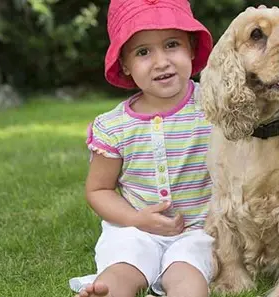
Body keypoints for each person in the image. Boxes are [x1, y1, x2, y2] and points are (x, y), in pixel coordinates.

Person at [68, 0, 215, 296]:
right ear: (124, 63)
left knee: (188, 277)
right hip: (134, 229)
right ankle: (108, 290)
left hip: (199, 230)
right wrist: (135, 219)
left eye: (172, 44)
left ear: (191, 48)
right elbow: (99, 190)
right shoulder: (114, 126)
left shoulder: (214, 107)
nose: (161, 62)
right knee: (123, 267)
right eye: (143, 52)